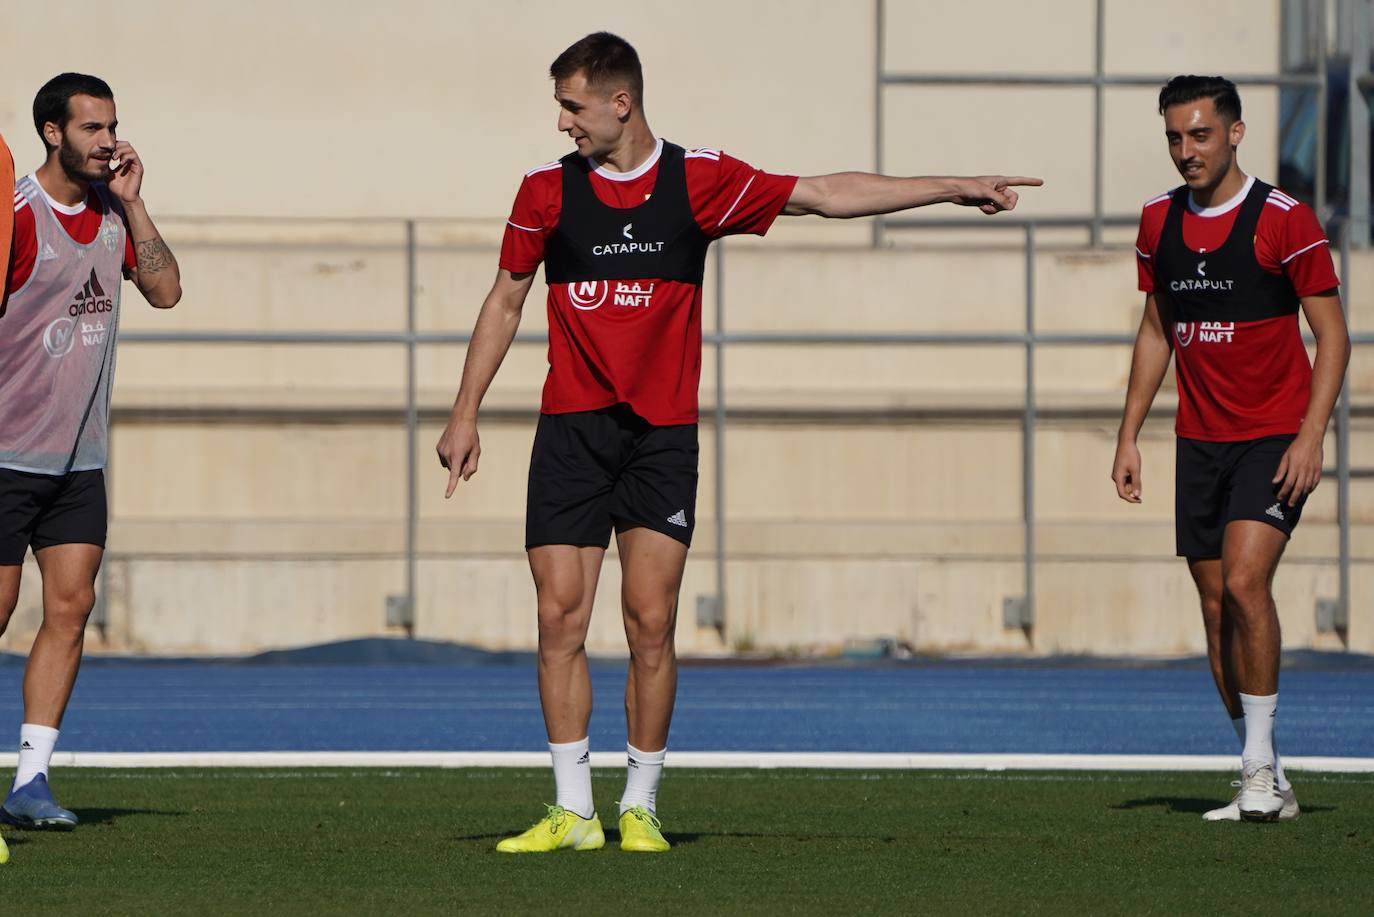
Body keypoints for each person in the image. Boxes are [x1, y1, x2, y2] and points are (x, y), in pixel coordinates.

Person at [435, 31, 1040, 854]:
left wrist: (951, 187)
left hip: (661, 438)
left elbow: (823, 193)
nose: (563, 125)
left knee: (651, 624)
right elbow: (505, 301)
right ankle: (573, 810)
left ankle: (640, 805)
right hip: (572, 431)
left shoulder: (699, 180)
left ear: (622, 102)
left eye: (573, 107)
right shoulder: (545, 191)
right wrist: (465, 411)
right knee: (557, 618)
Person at [1112, 75, 1349, 822]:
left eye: (1201, 135)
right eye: (1175, 138)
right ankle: (1269, 775)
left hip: (1275, 437)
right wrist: (1129, 435)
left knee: (1247, 584)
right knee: (1217, 609)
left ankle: (1254, 770)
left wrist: (1313, 433)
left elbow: (1335, 336)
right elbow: (1158, 331)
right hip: (1199, 442)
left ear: (1235, 133)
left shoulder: (1285, 219)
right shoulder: (1157, 222)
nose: (1187, 151)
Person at [0, 73, 182, 829]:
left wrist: (136, 203)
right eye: (92, 128)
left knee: (70, 610)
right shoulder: (16, 215)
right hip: (6, 455)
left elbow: (166, 290)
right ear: (52, 132)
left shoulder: (114, 212)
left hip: (80, 461)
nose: (109, 141)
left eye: (112, 126)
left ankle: (31, 781)